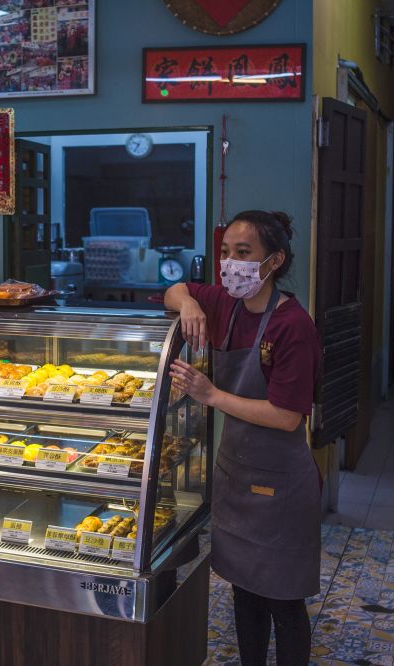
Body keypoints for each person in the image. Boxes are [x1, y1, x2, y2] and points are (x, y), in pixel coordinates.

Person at [164, 210, 321, 666]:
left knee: (283, 599)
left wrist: (211, 394)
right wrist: (189, 303)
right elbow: (173, 291)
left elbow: (288, 416)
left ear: (274, 261)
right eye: (225, 253)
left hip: (281, 485)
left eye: (243, 253)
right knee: (244, 588)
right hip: (235, 474)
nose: (230, 263)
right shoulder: (225, 303)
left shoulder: (293, 325)